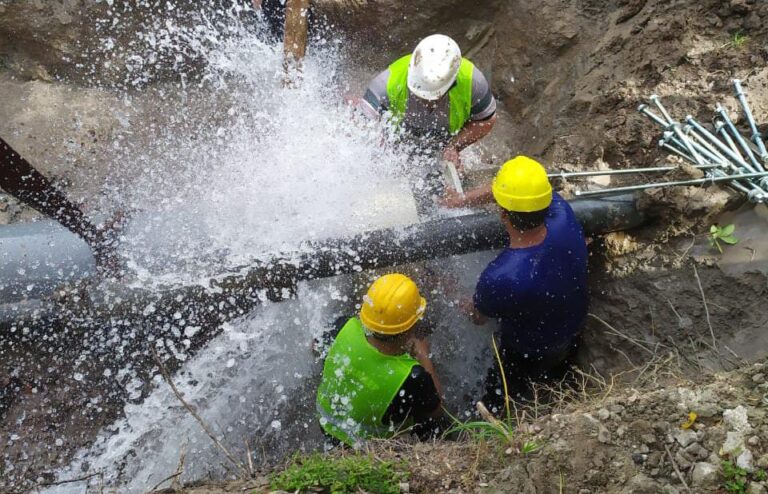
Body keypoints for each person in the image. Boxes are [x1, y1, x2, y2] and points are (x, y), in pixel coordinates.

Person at [464, 156, 588, 408]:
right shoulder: (563, 214)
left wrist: (450, 290)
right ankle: (560, 382)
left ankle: (497, 411)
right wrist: (460, 199)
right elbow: (527, 195)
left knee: (504, 389)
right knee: (558, 365)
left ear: (502, 213)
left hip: (527, 350)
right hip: (572, 329)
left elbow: (478, 317)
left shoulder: (501, 277)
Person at [316, 273, 447, 446]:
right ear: (410, 329)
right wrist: (424, 356)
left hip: (326, 425)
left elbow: (315, 347)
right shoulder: (413, 376)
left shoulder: (343, 326)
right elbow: (438, 410)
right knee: (437, 425)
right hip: (367, 447)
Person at [359, 34, 497, 175]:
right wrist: (380, 151)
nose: (425, 102)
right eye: (419, 95)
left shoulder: (473, 82)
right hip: (397, 139)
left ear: (452, 84)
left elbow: (486, 120)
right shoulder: (386, 84)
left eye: (432, 97)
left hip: (446, 139)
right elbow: (361, 127)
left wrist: (454, 146)